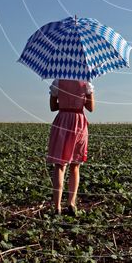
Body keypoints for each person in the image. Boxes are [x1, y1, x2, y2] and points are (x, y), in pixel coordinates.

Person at [46, 78, 95, 215]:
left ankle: (57, 206)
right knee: (75, 165)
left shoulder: (58, 82)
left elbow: (52, 107)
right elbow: (91, 108)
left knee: (59, 165)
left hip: (62, 121)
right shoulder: (86, 83)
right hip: (79, 123)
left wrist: (64, 102)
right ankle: (71, 203)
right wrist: (84, 98)